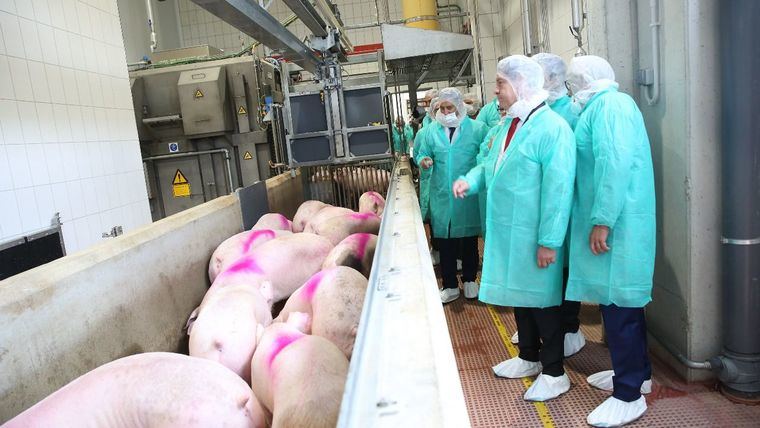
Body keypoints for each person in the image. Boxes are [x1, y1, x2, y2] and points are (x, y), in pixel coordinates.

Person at [453, 55, 576, 402]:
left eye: (501, 83)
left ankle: (554, 372)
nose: (495, 91)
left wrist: (549, 241)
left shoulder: (552, 129)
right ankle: (528, 357)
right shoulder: (510, 125)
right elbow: (487, 164)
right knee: (522, 299)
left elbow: (559, 189)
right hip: (510, 233)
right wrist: (469, 181)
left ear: (521, 85)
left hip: (535, 234)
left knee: (544, 303)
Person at [565, 55, 656, 427]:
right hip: (617, 219)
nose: (570, 90)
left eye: (572, 83)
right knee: (619, 303)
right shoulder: (603, 107)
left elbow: (612, 163)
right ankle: (639, 374)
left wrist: (602, 219)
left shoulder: (610, 107)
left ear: (586, 80)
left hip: (617, 223)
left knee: (620, 305)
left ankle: (629, 394)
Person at [531, 52, 586, 358]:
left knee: (566, 268)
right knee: (550, 268)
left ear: (552, 78)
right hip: (546, 205)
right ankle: (547, 326)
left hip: (569, 204)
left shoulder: (572, 112)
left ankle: (570, 327)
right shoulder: (542, 112)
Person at [416, 87, 487, 303]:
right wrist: (423, 161)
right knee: (444, 242)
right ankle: (449, 285)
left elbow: (485, 156)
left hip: (467, 195)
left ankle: (470, 280)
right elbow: (421, 153)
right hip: (442, 195)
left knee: (468, 241)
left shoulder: (477, 129)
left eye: (450, 107)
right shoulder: (430, 131)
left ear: (460, 107)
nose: (446, 112)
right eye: (442, 107)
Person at [414, 97, 441, 264]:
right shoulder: (423, 132)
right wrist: (422, 161)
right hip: (430, 181)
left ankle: (456, 254)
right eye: (437, 108)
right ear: (431, 111)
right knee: (433, 217)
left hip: (448, 183)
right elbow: (417, 153)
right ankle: (436, 248)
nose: (441, 112)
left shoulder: (454, 129)